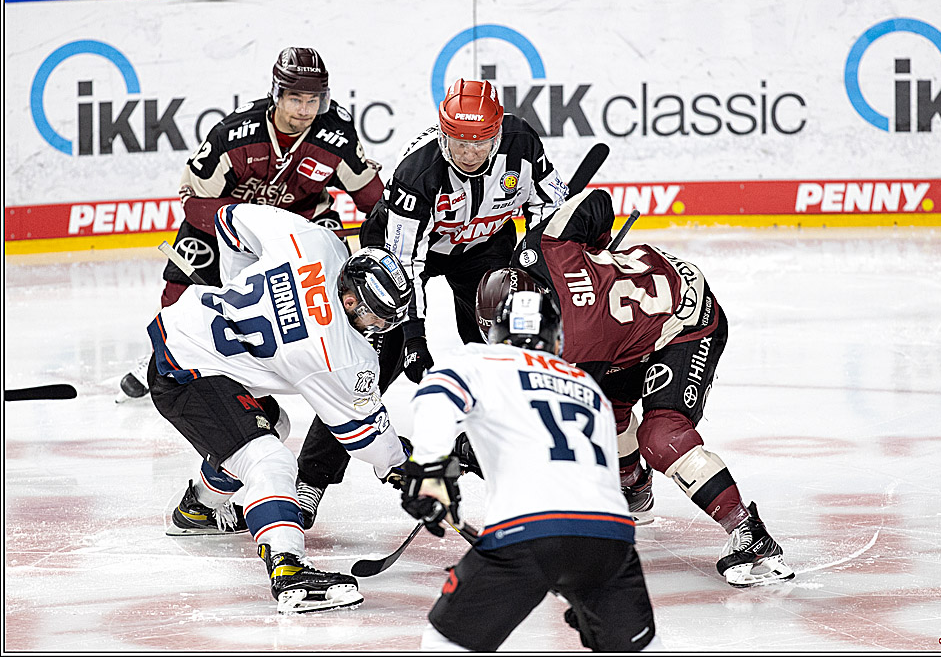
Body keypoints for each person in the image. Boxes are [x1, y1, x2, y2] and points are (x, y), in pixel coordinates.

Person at [475, 188, 795, 588]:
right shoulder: (542, 247)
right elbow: (596, 202)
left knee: (662, 437)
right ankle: (632, 486)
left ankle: (749, 532)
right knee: (610, 408)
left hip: (688, 318)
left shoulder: (579, 347)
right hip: (629, 323)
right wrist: (596, 255)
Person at [292, 78, 570, 528]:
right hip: (397, 257)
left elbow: (550, 208)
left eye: (480, 142)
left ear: (498, 134)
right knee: (371, 364)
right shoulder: (418, 173)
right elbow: (406, 262)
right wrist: (414, 337)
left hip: (484, 247)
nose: (469, 153)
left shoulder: (522, 142)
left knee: (509, 349)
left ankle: (507, 452)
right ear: (443, 135)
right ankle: (311, 479)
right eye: (459, 142)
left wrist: (535, 254)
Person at [147, 203, 412, 613]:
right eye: (374, 318)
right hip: (187, 370)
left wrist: (236, 285)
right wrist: (399, 462)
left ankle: (198, 509)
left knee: (271, 423)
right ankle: (288, 567)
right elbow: (365, 439)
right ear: (349, 299)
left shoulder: (316, 242)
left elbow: (229, 220)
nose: (378, 329)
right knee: (268, 459)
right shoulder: (340, 354)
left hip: (190, 334)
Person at [118, 46, 385, 403]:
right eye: (295, 99)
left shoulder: (336, 133)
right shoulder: (235, 134)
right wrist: (244, 223)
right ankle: (160, 353)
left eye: (313, 100)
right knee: (182, 280)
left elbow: (373, 199)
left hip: (302, 223)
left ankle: (345, 353)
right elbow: (193, 202)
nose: (305, 110)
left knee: (338, 271)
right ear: (277, 94)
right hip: (229, 224)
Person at [400, 289, 662, 651]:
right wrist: (574, 578)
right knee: (638, 647)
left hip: (527, 530)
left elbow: (437, 394)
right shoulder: (587, 387)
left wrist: (429, 469)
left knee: (445, 640)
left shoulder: (482, 359)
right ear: (556, 338)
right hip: (609, 538)